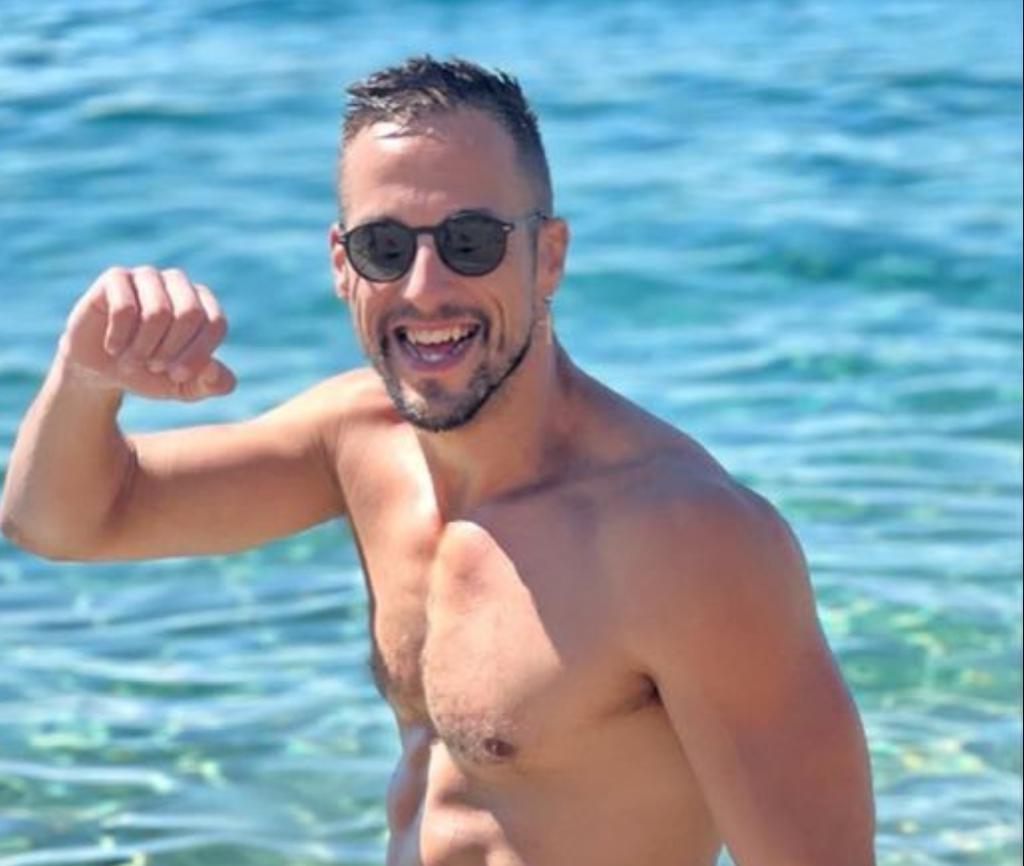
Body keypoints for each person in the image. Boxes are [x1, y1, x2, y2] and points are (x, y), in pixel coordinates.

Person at [0, 56, 876, 865]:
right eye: (386, 247)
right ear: (342, 265)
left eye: (471, 241)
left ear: (549, 257)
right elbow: (63, 520)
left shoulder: (683, 541)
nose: (425, 287)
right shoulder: (356, 440)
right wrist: (85, 377)